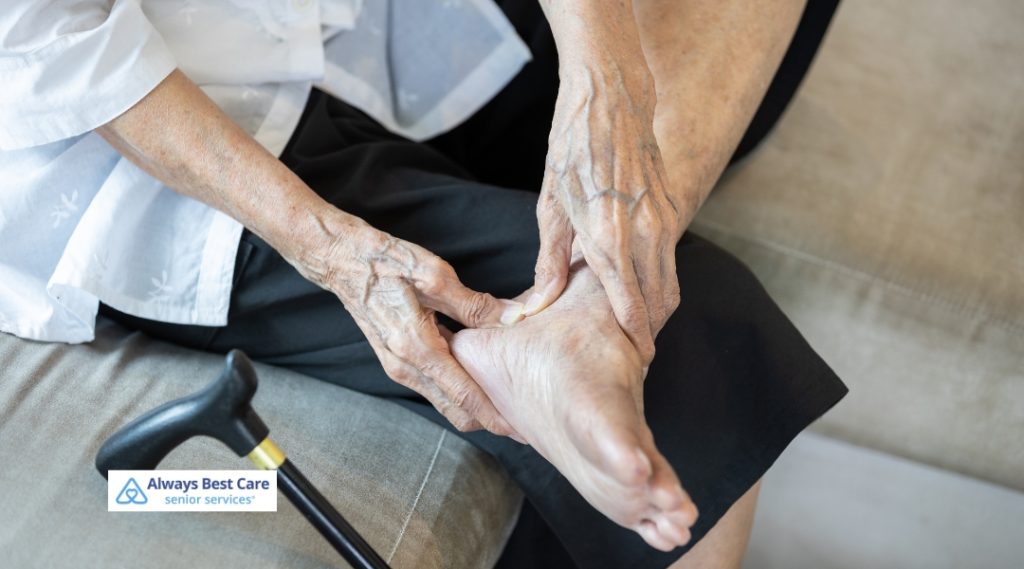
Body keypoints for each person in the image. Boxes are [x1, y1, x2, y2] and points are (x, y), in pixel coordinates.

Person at [0, 1, 847, 567]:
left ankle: (594, 300)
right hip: (163, 130)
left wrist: (603, 72)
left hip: (372, 21)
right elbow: (60, 45)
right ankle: (601, 307)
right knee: (698, 345)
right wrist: (333, 250)